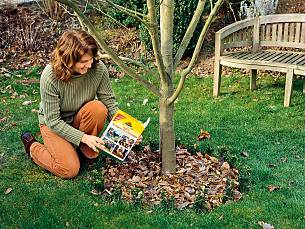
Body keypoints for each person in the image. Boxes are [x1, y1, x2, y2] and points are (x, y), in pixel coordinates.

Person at [21, 29, 119, 179]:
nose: (89, 64)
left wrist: (128, 129)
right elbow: (53, 121)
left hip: (80, 117)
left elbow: (110, 104)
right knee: (69, 169)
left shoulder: (98, 69)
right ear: (68, 60)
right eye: (83, 62)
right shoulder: (50, 76)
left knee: (98, 108)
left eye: (91, 59)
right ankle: (32, 147)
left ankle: (84, 151)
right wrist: (84, 137)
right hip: (54, 124)